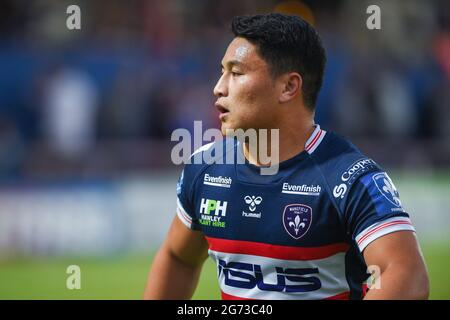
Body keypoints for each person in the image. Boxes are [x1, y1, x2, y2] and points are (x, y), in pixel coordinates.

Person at [144, 13, 429, 300]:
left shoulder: (350, 179)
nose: (219, 87)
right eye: (222, 71)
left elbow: (406, 275)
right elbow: (178, 257)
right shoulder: (205, 168)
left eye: (236, 73)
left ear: (289, 87)